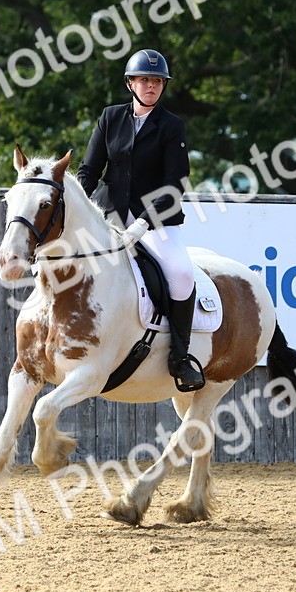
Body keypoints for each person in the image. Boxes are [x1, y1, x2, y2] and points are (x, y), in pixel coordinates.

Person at [76, 49, 205, 392]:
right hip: (108, 216)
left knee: (181, 275)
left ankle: (180, 356)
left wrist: (143, 223)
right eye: (145, 80)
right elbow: (89, 171)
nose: (151, 86)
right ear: (131, 83)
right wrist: (78, 209)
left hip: (157, 221)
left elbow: (175, 184)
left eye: (157, 81)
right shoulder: (110, 117)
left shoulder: (171, 125)